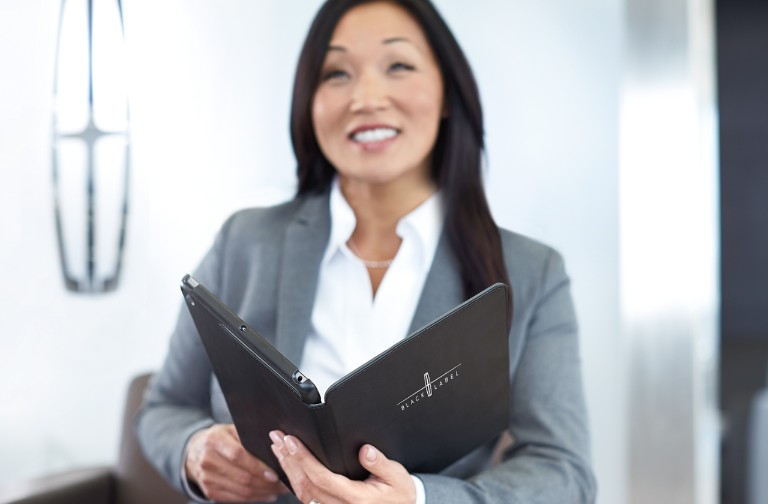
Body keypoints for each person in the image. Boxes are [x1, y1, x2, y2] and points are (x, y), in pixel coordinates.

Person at [137, 0, 597, 502]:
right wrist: (193, 449)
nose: (366, 97)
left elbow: (563, 472)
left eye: (398, 66)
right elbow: (164, 408)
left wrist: (421, 499)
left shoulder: (532, 272)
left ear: (447, 92)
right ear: (308, 101)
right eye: (336, 74)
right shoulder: (245, 243)